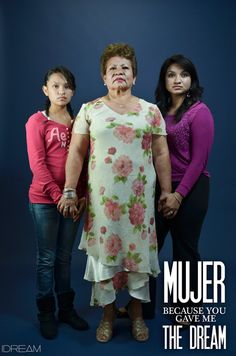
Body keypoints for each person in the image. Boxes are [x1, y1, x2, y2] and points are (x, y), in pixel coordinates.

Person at [58, 43, 171, 342]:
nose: (119, 72)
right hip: (103, 203)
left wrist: (167, 192)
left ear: (134, 77)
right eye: (113, 69)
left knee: (137, 261)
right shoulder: (89, 110)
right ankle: (107, 316)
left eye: (125, 68)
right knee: (105, 260)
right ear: (104, 78)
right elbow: (76, 153)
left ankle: (136, 317)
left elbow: (161, 154)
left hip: (139, 203)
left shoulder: (151, 111)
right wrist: (70, 190)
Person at [118, 54, 214, 325]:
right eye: (171, 74)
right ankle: (143, 308)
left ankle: (186, 312)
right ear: (164, 79)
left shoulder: (199, 112)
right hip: (159, 187)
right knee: (148, 248)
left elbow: (199, 161)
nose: (177, 79)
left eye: (183, 74)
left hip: (191, 188)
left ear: (191, 79)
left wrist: (178, 195)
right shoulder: (157, 111)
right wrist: (161, 189)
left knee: (185, 250)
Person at [25, 66, 89, 339]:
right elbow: (37, 164)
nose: (61, 91)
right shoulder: (36, 122)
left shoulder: (80, 122)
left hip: (73, 202)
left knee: (64, 257)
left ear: (73, 90)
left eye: (66, 86)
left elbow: (86, 163)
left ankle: (66, 309)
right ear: (45, 90)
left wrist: (80, 194)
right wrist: (58, 196)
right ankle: (46, 313)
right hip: (45, 200)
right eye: (55, 86)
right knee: (46, 258)